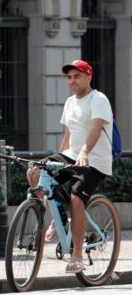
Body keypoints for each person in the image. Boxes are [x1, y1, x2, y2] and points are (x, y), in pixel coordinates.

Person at [27, 60, 113, 273]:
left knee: (76, 198)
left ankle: (76, 256)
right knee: (36, 172)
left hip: (95, 161)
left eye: (77, 76)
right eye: (69, 77)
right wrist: (57, 160)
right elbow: (68, 136)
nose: (72, 80)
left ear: (88, 77)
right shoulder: (69, 102)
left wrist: (84, 152)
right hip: (72, 156)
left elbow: (94, 130)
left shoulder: (98, 99)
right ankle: (55, 215)